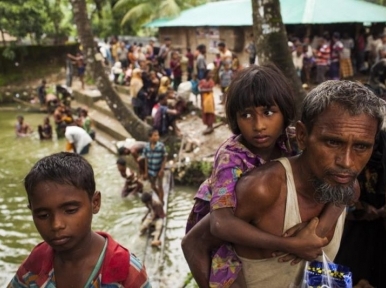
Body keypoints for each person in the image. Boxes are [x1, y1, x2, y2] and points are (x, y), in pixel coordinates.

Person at [183, 64, 328, 287]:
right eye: (246, 115)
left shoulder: (291, 140)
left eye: (268, 112)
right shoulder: (231, 158)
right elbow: (220, 225)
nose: (259, 125)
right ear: (235, 118)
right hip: (222, 235)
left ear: (285, 112)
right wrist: (288, 245)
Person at [230, 80, 384, 287]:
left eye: (361, 146)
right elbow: (196, 244)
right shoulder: (264, 189)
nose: (347, 162)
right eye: (332, 142)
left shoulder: (347, 189)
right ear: (302, 136)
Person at [7, 152, 150, 287]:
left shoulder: (126, 271)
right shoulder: (36, 263)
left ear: (95, 202)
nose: (56, 225)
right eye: (43, 215)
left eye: (70, 211)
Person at [142, 129, 167, 204]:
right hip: (150, 170)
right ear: (150, 137)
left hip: (159, 169)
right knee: (153, 186)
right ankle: (159, 196)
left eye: (157, 135)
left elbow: (164, 157)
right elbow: (145, 159)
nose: (157, 137)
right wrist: (146, 172)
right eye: (155, 135)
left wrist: (162, 170)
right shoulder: (146, 147)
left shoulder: (161, 146)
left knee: (160, 186)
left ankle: (161, 202)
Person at [199, 69, 215, 135]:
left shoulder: (211, 81)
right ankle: (208, 126)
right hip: (204, 99)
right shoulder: (202, 81)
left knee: (210, 112)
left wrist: (203, 90)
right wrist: (206, 90)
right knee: (205, 112)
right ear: (206, 74)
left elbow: (210, 90)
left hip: (210, 100)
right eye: (209, 73)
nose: (211, 75)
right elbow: (200, 90)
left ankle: (210, 126)